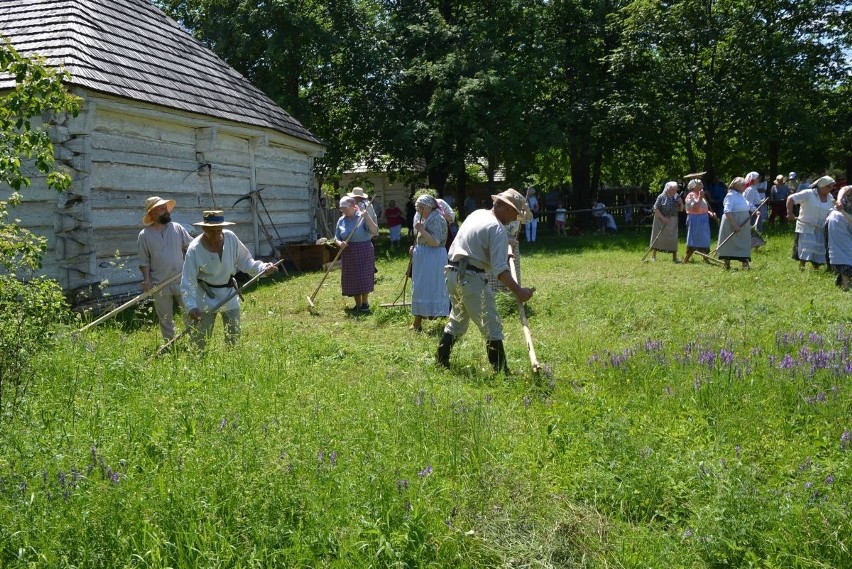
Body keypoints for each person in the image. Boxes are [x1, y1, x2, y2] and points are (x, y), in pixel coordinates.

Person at [436, 189, 535, 374]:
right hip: (471, 278)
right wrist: (519, 291)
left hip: (452, 273)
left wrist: (504, 250)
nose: (514, 219)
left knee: (457, 320)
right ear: (505, 207)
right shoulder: (497, 228)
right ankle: (502, 372)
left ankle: (441, 359)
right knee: (492, 325)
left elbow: (476, 243)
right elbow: (500, 271)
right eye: (515, 213)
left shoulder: (478, 214)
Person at [180, 210, 276, 349]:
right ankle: (197, 364)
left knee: (234, 336)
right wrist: (191, 306)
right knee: (199, 342)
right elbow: (188, 280)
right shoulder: (195, 249)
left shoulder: (230, 238)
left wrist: (262, 268)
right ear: (204, 228)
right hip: (205, 295)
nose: (217, 235)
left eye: (219, 230)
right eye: (212, 231)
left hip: (229, 291)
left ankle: (233, 363)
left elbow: (246, 261)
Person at [137, 196, 193, 342]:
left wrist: (193, 267)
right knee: (166, 318)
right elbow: (144, 261)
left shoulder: (177, 228)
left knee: (189, 312)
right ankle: (169, 344)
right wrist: (147, 280)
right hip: (160, 284)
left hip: (181, 279)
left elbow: (192, 248)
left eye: (165, 208)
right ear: (152, 214)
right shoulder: (144, 235)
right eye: (161, 209)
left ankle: (194, 342)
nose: (165, 211)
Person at [409, 194, 450, 331]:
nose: (419, 210)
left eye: (422, 207)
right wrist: (415, 247)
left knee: (431, 287)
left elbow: (435, 242)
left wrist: (421, 229)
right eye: (417, 207)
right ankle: (419, 321)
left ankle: (430, 318)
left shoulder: (437, 219)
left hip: (434, 257)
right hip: (424, 257)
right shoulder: (423, 217)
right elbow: (421, 239)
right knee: (420, 287)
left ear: (430, 207)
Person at [335, 196, 379, 311]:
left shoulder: (362, 217)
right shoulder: (341, 220)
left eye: (345, 208)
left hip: (363, 249)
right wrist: (340, 243)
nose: (343, 211)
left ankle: (365, 303)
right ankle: (358, 304)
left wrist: (367, 217)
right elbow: (336, 237)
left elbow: (375, 231)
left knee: (363, 276)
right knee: (352, 277)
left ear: (353, 207)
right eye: (341, 209)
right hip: (349, 251)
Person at [787, 175, 836, 269]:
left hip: (821, 227)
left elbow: (833, 210)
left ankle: (816, 267)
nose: (832, 189)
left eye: (833, 186)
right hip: (806, 225)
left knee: (818, 248)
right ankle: (802, 266)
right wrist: (790, 213)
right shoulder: (808, 193)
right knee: (807, 246)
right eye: (830, 186)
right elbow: (790, 198)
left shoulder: (830, 197)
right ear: (822, 186)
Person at [717, 177, 753, 270]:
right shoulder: (731, 195)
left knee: (744, 243)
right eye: (743, 185)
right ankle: (727, 263)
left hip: (743, 223)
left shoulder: (741, 195)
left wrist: (754, 210)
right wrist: (735, 225)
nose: (745, 186)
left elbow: (747, 204)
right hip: (732, 222)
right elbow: (727, 211)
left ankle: (745, 263)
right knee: (729, 243)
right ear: (737, 186)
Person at [682, 179, 717, 264]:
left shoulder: (701, 194)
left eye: (702, 182)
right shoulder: (690, 195)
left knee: (704, 238)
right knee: (694, 238)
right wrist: (700, 197)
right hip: (695, 219)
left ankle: (705, 257)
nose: (702, 184)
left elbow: (703, 208)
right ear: (694, 186)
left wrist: (710, 213)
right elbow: (695, 208)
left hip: (703, 219)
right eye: (699, 183)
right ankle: (686, 258)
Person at [825, 185, 852, 290]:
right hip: (838, 220)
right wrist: (839, 200)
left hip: (848, 221)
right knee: (845, 252)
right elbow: (845, 189)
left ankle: (843, 280)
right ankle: (846, 285)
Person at [648, 181, 683, 263]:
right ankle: (653, 256)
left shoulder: (677, 197)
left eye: (675, 189)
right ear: (668, 189)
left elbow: (681, 209)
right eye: (672, 189)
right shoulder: (661, 196)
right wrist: (663, 218)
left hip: (672, 221)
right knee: (657, 237)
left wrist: (681, 203)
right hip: (660, 220)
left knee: (673, 239)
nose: (674, 191)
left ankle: (675, 257)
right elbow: (655, 208)